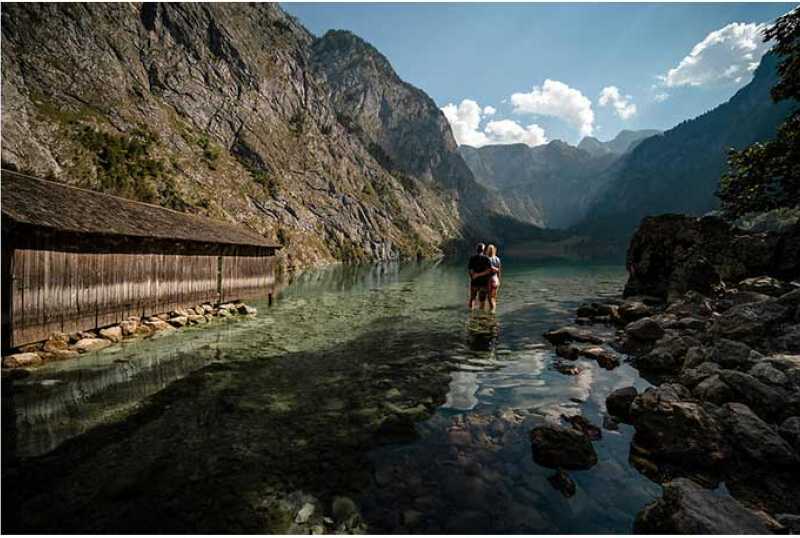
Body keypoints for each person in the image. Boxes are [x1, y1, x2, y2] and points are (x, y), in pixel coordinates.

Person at [467, 243, 492, 310]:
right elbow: (488, 271)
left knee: (472, 298)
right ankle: (481, 315)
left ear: (476, 249)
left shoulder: (472, 258)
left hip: (474, 282)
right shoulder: (486, 259)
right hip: (483, 283)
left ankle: (470, 312)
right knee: (482, 301)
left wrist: (474, 276)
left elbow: (470, 270)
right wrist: (479, 274)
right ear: (483, 250)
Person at [485, 244, 502, 312]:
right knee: (494, 297)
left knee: (489, 298)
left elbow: (487, 270)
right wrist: (499, 280)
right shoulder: (497, 259)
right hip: (496, 280)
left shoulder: (487, 259)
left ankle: (492, 311)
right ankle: (493, 311)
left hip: (490, 280)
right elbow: (499, 271)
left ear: (487, 251)